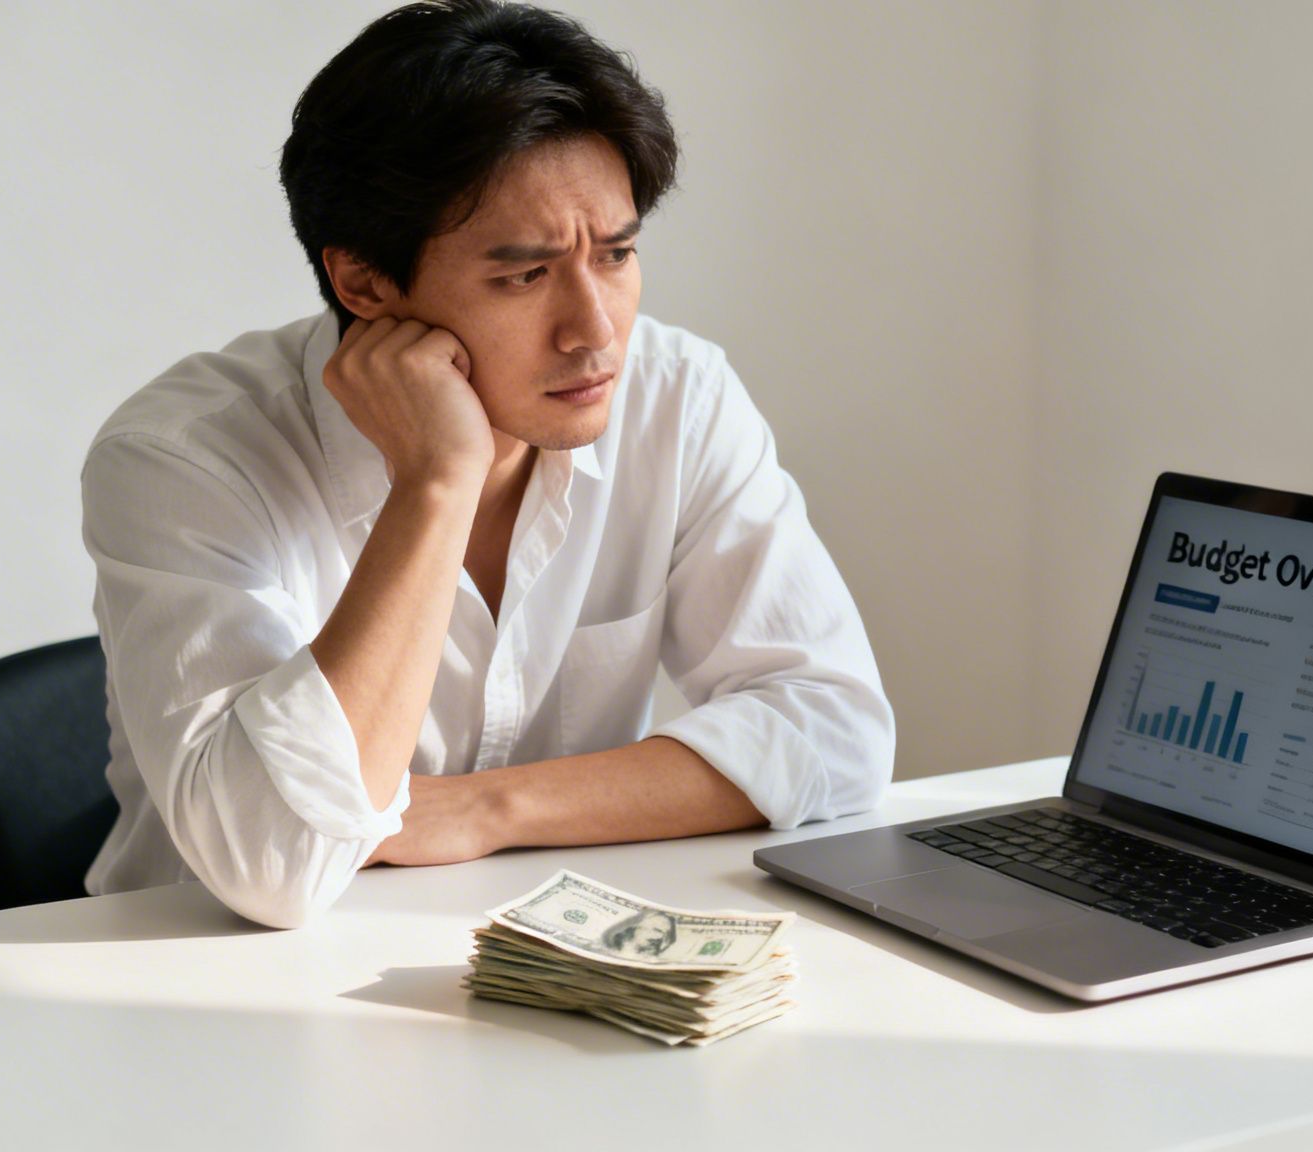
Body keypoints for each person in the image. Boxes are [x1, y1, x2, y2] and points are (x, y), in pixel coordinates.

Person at [79, 1, 894, 928]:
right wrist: (436, 484)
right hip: (198, 990)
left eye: (617, 254)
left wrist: (487, 810)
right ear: (364, 284)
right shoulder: (184, 461)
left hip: (540, 961)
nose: (595, 331)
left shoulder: (678, 396)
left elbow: (836, 731)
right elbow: (276, 864)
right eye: (524, 275)